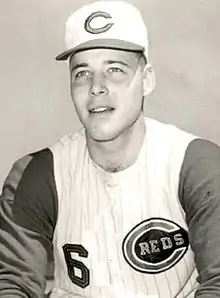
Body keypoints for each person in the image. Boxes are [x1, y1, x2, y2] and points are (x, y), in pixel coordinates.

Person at [0, 1, 220, 297]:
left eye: (115, 70)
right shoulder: (35, 175)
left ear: (146, 80)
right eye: (82, 73)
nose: (96, 87)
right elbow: (13, 285)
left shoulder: (196, 165)